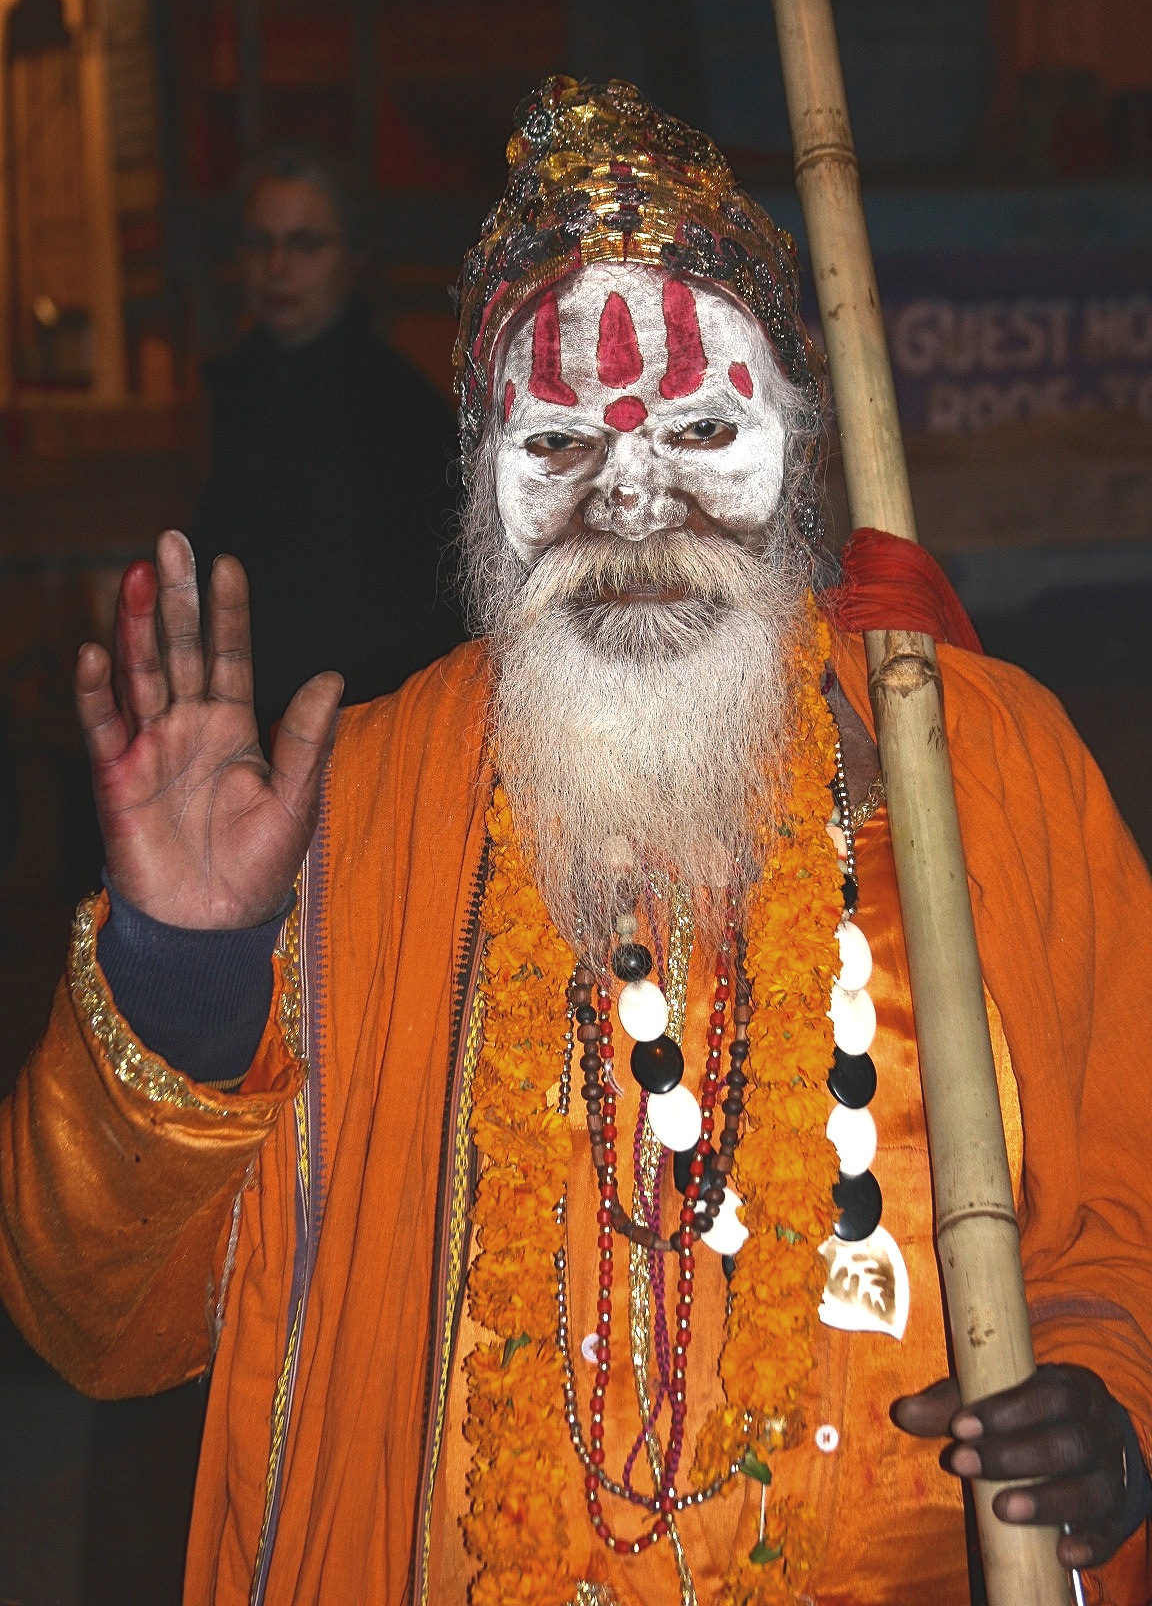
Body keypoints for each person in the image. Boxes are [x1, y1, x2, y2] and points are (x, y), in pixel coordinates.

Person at [1, 78, 1150, 1606]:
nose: (633, 497)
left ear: (799, 460)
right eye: (558, 443)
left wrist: (1115, 1408)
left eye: (702, 428)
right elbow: (99, 1319)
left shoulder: (984, 769)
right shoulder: (362, 811)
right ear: (480, 487)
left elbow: (1121, 1229)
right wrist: (186, 979)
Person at [193, 143, 462, 737]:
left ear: (356, 257)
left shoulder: (398, 407)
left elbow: (419, 609)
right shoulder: (226, 388)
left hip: (364, 726)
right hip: (244, 718)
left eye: (305, 244)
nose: (278, 268)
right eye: (259, 243)